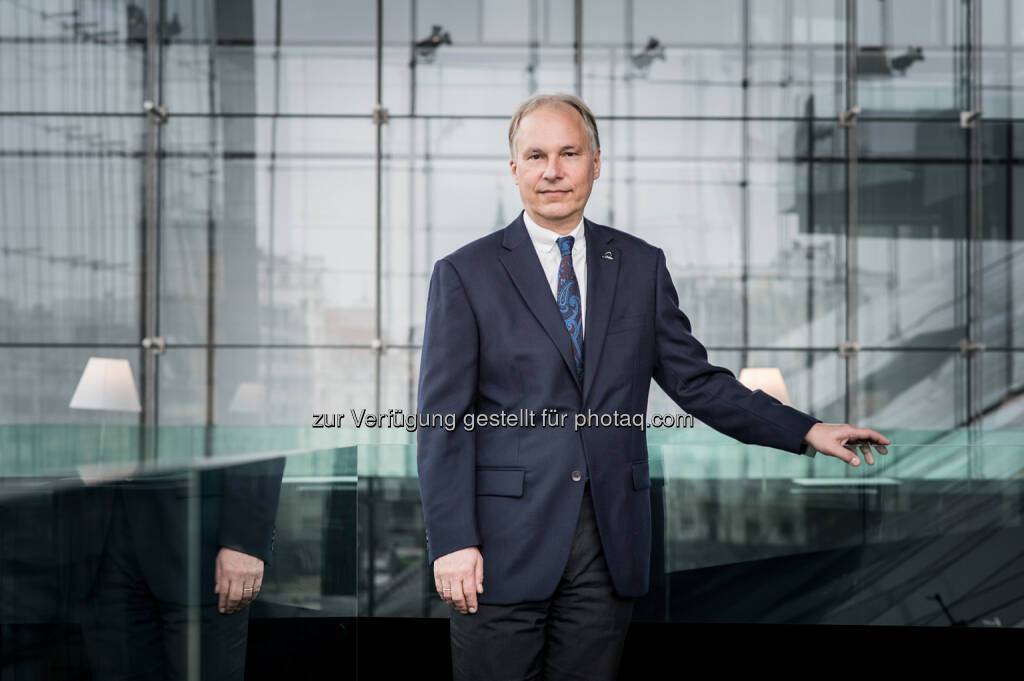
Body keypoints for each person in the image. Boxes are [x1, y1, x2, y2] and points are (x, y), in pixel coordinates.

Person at [415, 92, 889, 681]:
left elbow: (696, 381)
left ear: (595, 162)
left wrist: (807, 429)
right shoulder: (465, 273)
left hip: (609, 545)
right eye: (536, 155)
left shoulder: (639, 265)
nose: (553, 170)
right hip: (498, 547)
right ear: (515, 169)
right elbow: (443, 422)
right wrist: (452, 541)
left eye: (569, 153)